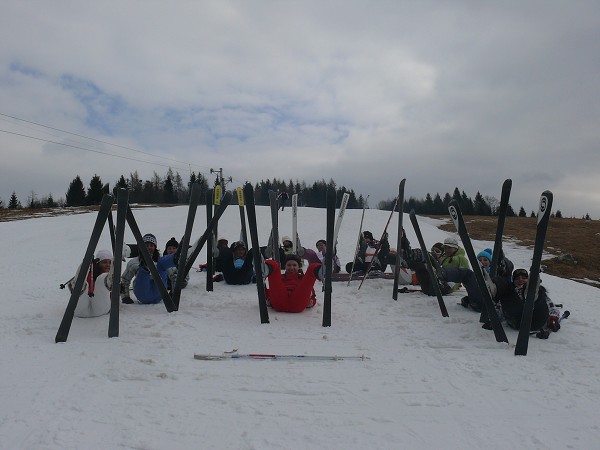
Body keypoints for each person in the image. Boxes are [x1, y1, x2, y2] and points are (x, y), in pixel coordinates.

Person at [492, 268, 560, 332]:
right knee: (507, 293)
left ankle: (531, 293)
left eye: (524, 278)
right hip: (517, 321)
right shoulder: (510, 293)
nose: (520, 280)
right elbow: (501, 308)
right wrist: (493, 320)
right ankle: (492, 287)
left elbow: (551, 306)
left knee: (539, 296)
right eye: (517, 278)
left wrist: (553, 318)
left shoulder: (540, 292)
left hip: (536, 319)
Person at [120, 234, 178, 304]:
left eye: (151, 245)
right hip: (143, 293)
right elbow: (125, 279)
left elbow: (175, 276)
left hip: (159, 293)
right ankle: (144, 267)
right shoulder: (134, 263)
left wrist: (174, 293)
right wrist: (125, 297)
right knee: (144, 269)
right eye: (146, 245)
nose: (149, 247)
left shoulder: (160, 261)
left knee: (161, 264)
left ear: (155, 247)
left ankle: (176, 258)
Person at [68, 249, 113, 318]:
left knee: (102, 279)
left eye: (110, 263)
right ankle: (78, 286)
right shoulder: (89, 275)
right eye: (104, 262)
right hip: (82, 308)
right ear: (98, 263)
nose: (108, 265)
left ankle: (77, 286)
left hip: (100, 308)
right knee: (86, 284)